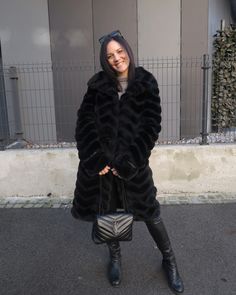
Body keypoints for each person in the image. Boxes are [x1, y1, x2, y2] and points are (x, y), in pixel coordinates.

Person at [71, 30, 184, 294]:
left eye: (120, 52)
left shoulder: (145, 82)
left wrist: (129, 162)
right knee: (108, 214)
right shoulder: (97, 85)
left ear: (128, 52)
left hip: (133, 168)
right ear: (104, 60)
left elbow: (150, 126)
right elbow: (84, 124)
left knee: (152, 215)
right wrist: (96, 159)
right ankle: (116, 258)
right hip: (102, 170)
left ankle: (170, 261)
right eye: (110, 56)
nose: (116, 59)